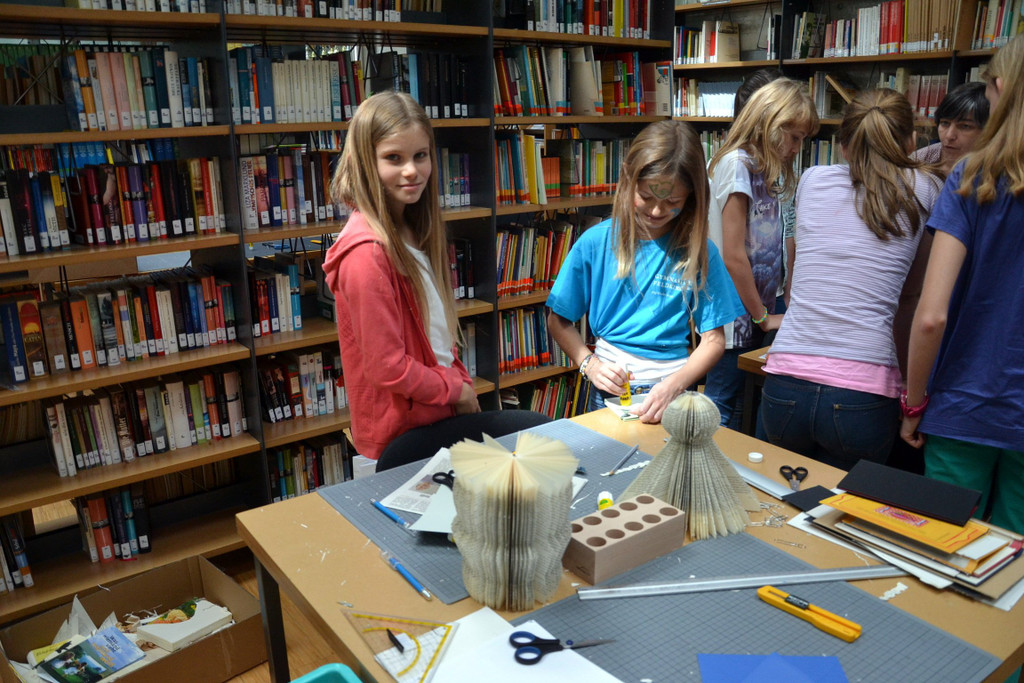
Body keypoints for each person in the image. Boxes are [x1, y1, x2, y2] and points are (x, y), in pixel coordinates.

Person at [322, 91, 548, 471]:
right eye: (394, 158)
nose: (412, 171)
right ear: (365, 162)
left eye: (420, 156)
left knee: (539, 452)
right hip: (408, 428)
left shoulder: (414, 228)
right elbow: (388, 367)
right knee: (540, 441)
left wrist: (458, 386)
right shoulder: (366, 255)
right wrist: (455, 389)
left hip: (439, 409)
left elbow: (436, 337)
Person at [758, 88, 942, 470]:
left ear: (843, 146)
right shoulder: (926, 189)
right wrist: (908, 390)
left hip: (786, 379)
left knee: (779, 496)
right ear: (911, 141)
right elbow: (910, 299)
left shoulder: (811, 179)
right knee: (843, 506)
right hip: (863, 391)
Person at [901, 34, 1024, 535]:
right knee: (1016, 567)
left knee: (944, 550)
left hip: (964, 402)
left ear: (1000, 88)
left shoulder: (971, 177)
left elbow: (931, 315)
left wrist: (913, 403)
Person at [546, 120, 744, 424]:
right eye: (647, 197)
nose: (656, 211)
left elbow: (714, 340)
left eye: (672, 201)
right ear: (628, 179)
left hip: (673, 394)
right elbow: (558, 320)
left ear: (692, 196)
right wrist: (589, 364)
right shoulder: (596, 242)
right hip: (607, 392)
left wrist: (673, 386)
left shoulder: (701, 252)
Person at [703, 78, 819, 430]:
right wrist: (763, 317)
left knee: (746, 404)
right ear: (769, 123)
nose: (797, 148)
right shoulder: (737, 164)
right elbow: (733, 255)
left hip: (759, 305)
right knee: (721, 406)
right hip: (735, 314)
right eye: (794, 137)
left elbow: (777, 240)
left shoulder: (764, 167)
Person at [912, 81, 990, 173]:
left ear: (988, 130)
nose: (949, 136)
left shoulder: (997, 171)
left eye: (965, 126)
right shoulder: (918, 160)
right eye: (945, 123)